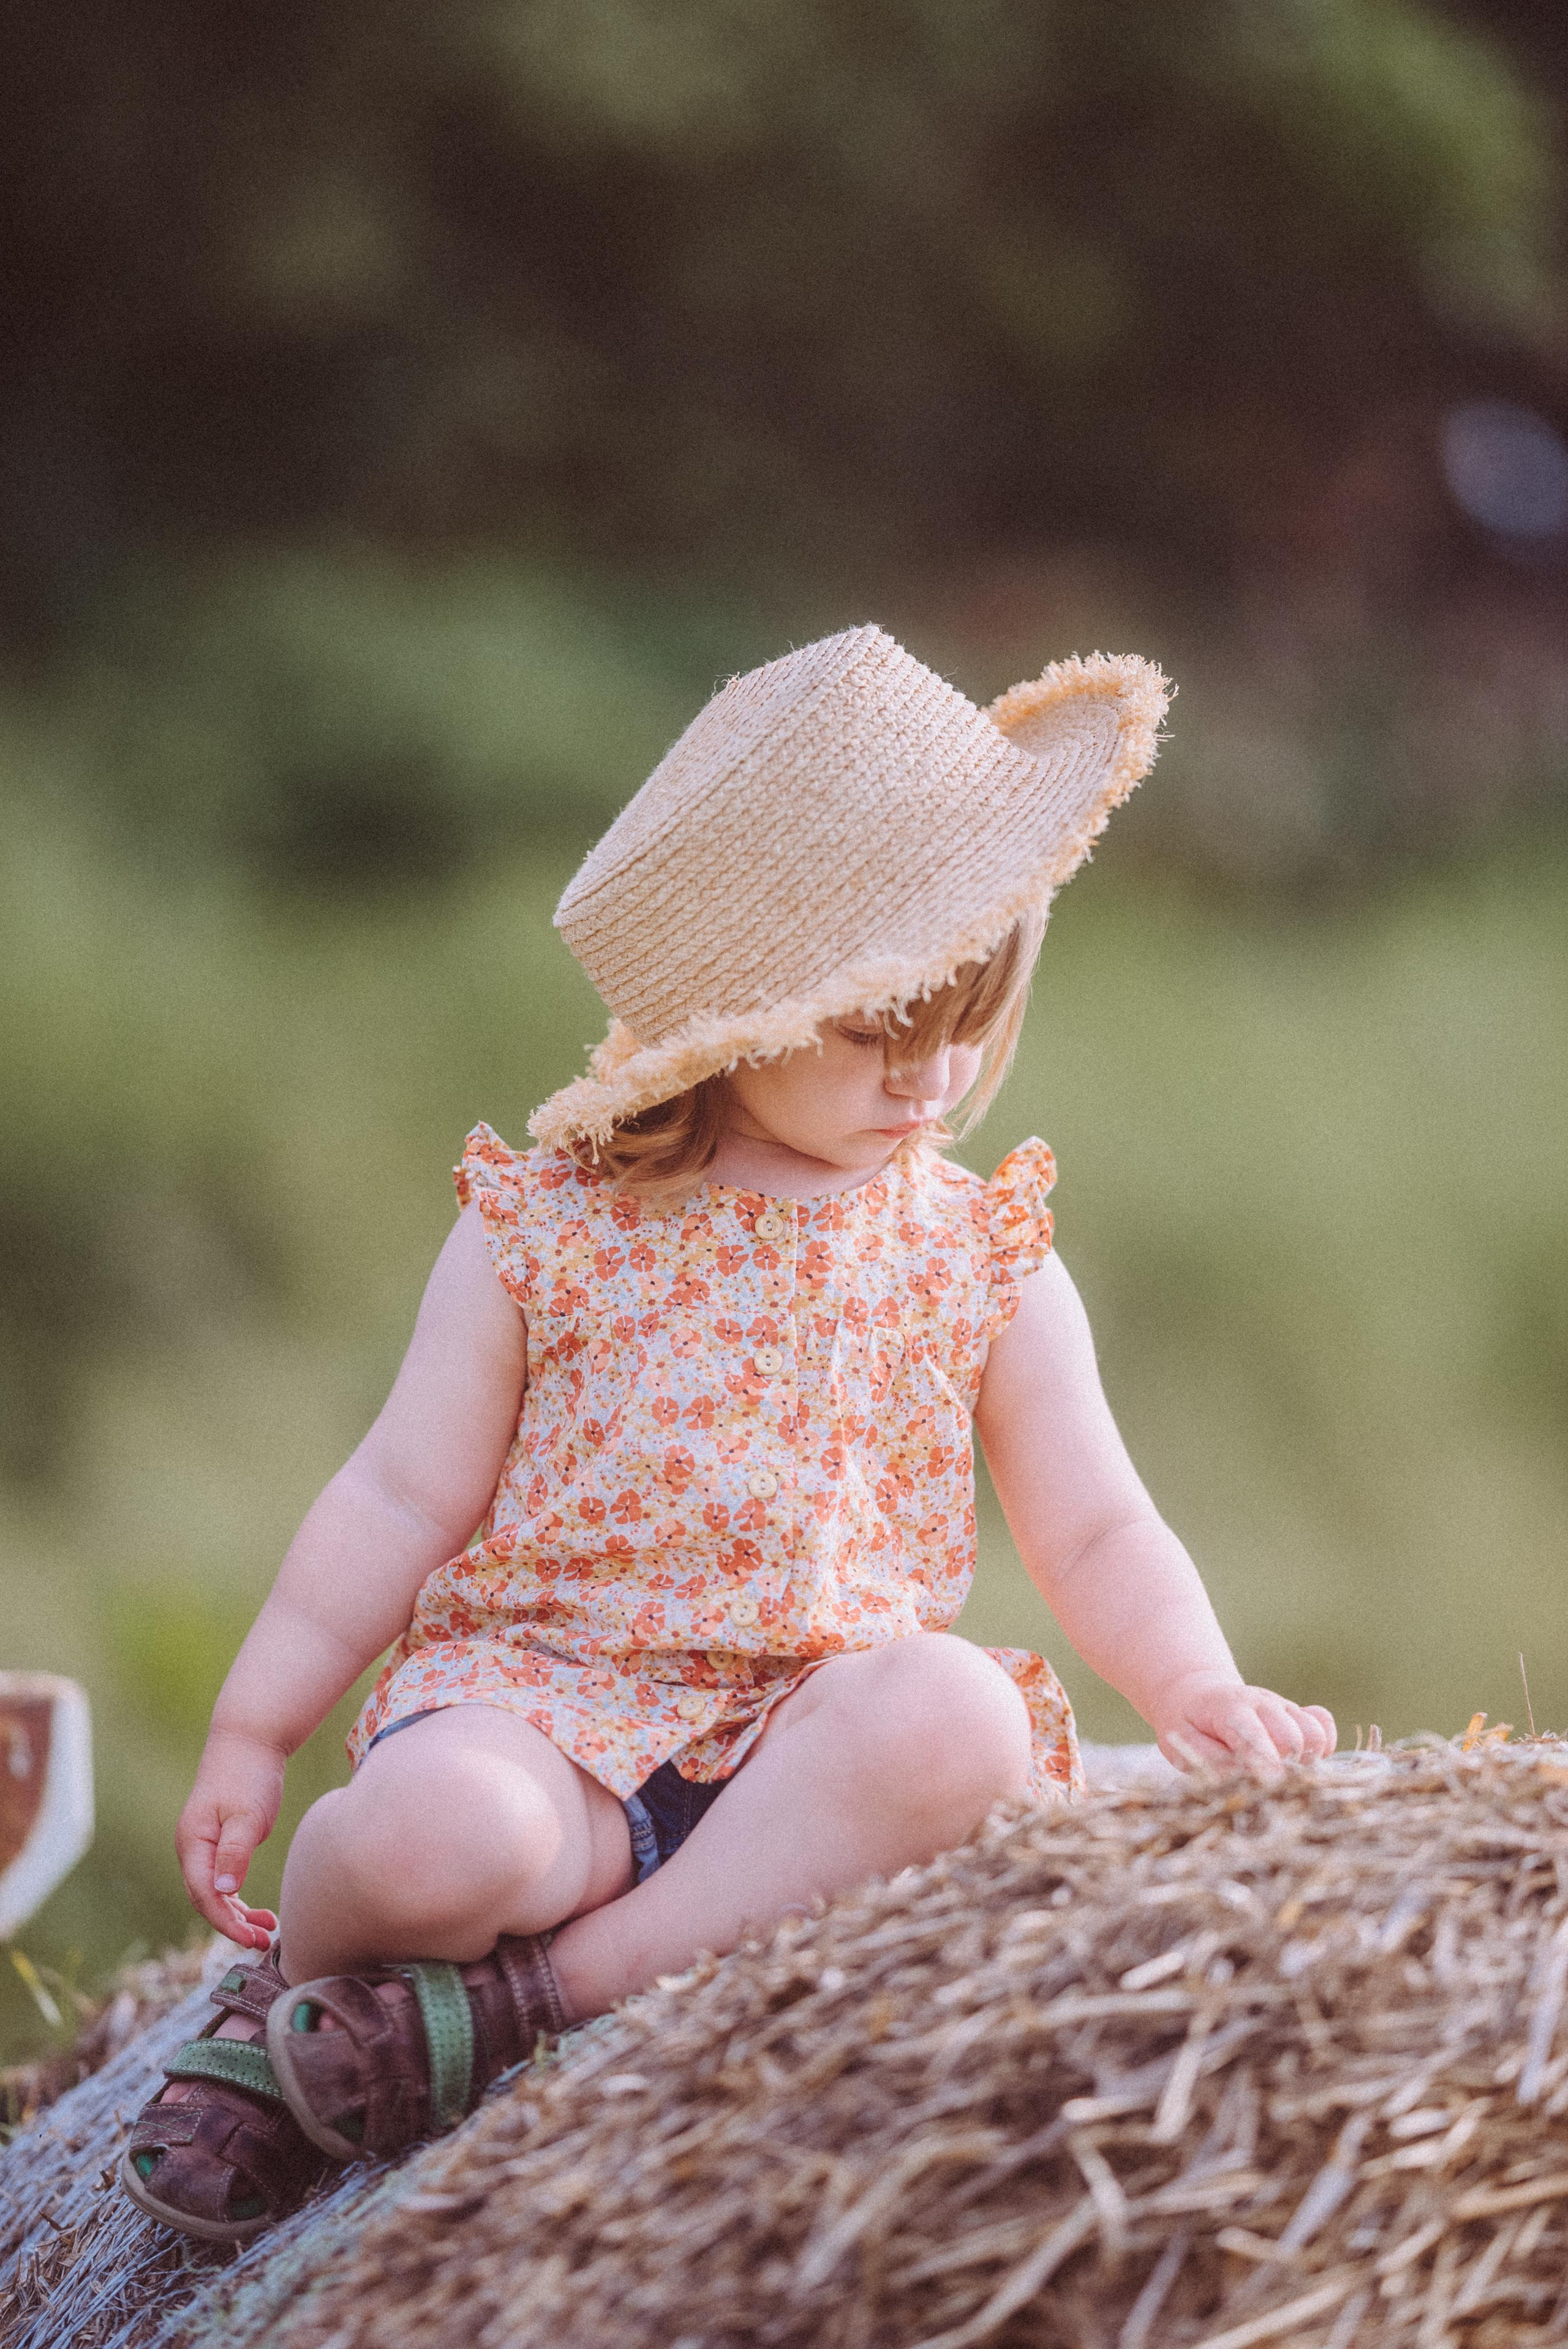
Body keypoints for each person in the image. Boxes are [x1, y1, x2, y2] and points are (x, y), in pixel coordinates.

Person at [121, 624, 1335, 2239]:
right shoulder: (549, 1226)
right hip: (541, 1713)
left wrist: (1193, 1683)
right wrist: (259, 1721)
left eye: (972, 1014)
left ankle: (538, 1998)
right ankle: (296, 1991)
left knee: (960, 1719)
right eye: (877, 1024)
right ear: (729, 1010)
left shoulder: (980, 1251)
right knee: (436, 1838)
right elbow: (401, 1487)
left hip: (799, 1753)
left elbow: (1099, 1524)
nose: (934, 1071)